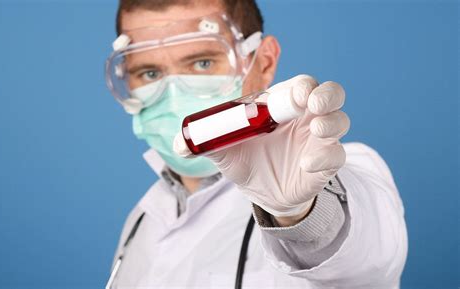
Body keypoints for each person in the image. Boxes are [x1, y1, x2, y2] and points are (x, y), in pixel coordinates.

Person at [104, 0, 408, 288]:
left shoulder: (333, 170)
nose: (172, 95)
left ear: (263, 63)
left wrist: (300, 212)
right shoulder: (140, 221)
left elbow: (366, 256)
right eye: (150, 73)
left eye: (202, 62)